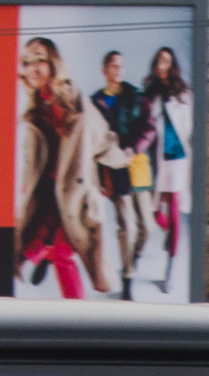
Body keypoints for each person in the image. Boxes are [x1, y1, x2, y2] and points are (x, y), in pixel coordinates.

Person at [15, 36, 116, 298]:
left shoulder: (72, 97)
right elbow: (32, 157)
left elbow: (100, 136)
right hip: (46, 193)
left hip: (71, 193)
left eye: (40, 61)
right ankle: (42, 258)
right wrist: (26, 187)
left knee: (60, 252)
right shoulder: (35, 105)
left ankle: (77, 319)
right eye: (27, 63)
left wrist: (120, 159)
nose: (33, 69)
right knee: (31, 247)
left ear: (53, 64)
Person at [88, 50, 152, 298]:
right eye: (114, 66)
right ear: (104, 70)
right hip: (113, 168)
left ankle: (131, 259)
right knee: (127, 225)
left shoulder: (135, 96)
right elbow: (93, 139)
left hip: (136, 164)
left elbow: (149, 128)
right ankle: (128, 277)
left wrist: (134, 149)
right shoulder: (96, 102)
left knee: (146, 225)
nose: (118, 70)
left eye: (121, 66)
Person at [143, 46, 192, 293]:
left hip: (177, 158)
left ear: (172, 66)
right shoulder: (150, 92)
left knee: (173, 210)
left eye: (167, 61)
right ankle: (169, 234)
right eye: (159, 60)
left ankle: (170, 269)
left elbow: (189, 127)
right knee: (154, 211)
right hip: (156, 159)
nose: (162, 65)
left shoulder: (182, 93)